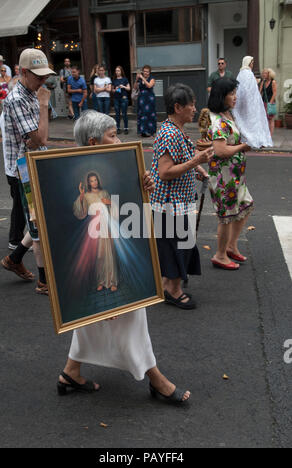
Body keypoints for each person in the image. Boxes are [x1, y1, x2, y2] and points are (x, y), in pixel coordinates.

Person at [58, 110, 190, 404]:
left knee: (97, 315)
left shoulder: (114, 173)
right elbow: (73, 219)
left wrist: (141, 187)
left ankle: (71, 370)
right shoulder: (76, 179)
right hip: (92, 249)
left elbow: (125, 210)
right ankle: (156, 379)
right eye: (112, 134)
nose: (119, 139)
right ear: (94, 142)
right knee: (131, 312)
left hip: (117, 245)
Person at [150, 84, 213, 309]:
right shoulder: (169, 133)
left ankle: (169, 283)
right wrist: (196, 162)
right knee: (178, 246)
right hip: (170, 204)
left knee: (178, 246)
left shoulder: (175, 129)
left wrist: (197, 169)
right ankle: (173, 291)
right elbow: (165, 172)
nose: (195, 109)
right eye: (191, 105)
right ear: (178, 107)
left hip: (177, 202)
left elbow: (180, 160)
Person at [0, 48, 55, 294]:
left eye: (45, 76)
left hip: (36, 165)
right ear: (23, 72)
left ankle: (14, 258)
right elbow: (40, 138)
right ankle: (44, 281)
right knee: (37, 225)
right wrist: (44, 105)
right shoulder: (17, 99)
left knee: (42, 218)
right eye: (39, 76)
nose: (44, 81)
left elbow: (43, 137)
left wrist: (42, 104)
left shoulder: (33, 92)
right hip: (24, 171)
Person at [207, 77, 254, 271]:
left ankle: (231, 246)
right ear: (221, 96)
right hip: (223, 177)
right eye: (232, 93)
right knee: (226, 216)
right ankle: (220, 255)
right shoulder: (218, 121)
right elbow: (220, 151)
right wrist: (242, 146)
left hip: (235, 177)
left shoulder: (228, 115)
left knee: (245, 206)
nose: (235, 97)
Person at [73, 172, 118, 292]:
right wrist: (81, 195)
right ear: (89, 183)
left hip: (106, 224)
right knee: (99, 255)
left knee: (109, 254)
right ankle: (101, 281)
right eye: (92, 180)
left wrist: (109, 202)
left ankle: (112, 281)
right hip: (94, 227)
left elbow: (113, 209)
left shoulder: (104, 193)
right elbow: (81, 213)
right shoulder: (86, 196)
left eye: (96, 180)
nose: (94, 182)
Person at [233, 56, 273, 149]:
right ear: (248, 63)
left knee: (245, 121)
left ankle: (247, 138)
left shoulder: (240, 74)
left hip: (244, 103)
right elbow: (249, 90)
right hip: (251, 104)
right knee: (253, 122)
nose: (252, 64)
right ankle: (254, 139)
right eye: (251, 62)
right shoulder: (248, 74)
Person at [134, 65, 157, 137]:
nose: (145, 73)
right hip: (142, 98)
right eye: (144, 71)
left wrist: (142, 78)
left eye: (147, 71)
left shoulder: (152, 78)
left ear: (149, 72)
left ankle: (151, 131)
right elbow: (135, 88)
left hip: (149, 98)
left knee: (150, 114)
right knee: (142, 114)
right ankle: (143, 131)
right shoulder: (140, 79)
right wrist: (136, 79)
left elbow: (149, 85)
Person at [112, 65, 130, 135]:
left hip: (123, 98)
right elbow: (112, 90)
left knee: (124, 114)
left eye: (118, 70)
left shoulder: (125, 79)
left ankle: (126, 128)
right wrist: (115, 89)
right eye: (116, 71)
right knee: (117, 114)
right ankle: (118, 128)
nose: (117, 72)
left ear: (121, 71)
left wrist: (123, 86)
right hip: (116, 98)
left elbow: (129, 88)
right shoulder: (114, 80)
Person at [259, 68, 277, 137]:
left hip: (270, 103)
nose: (264, 74)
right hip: (263, 102)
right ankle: (265, 135)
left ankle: (270, 136)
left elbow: (274, 93)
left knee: (271, 119)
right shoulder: (263, 82)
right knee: (264, 119)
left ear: (269, 74)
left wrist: (270, 103)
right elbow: (259, 92)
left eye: (265, 73)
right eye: (263, 73)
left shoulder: (273, 82)